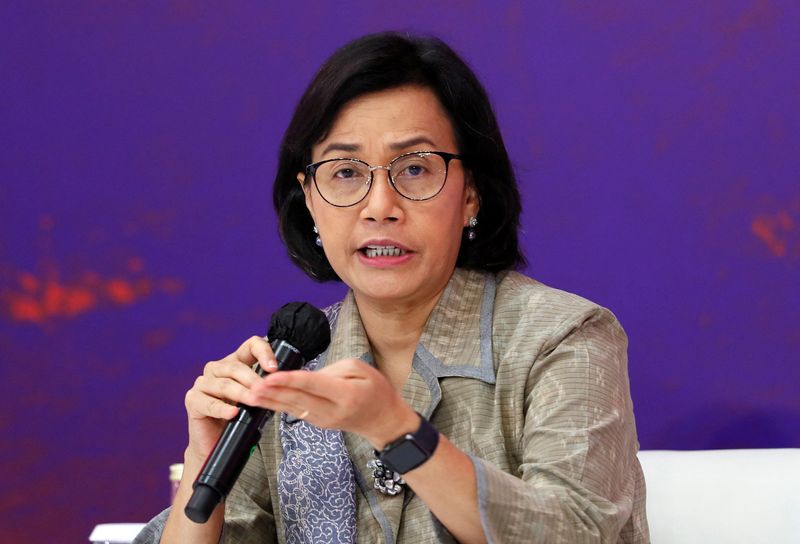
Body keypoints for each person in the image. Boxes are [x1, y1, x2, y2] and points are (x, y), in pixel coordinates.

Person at [136, 32, 649, 544]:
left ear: (470, 193)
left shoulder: (563, 338)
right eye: (344, 172)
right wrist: (204, 458)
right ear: (309, 200)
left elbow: (574, 533)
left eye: (415, 169)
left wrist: (397, 432)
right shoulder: (290, 370)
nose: (380, 205)